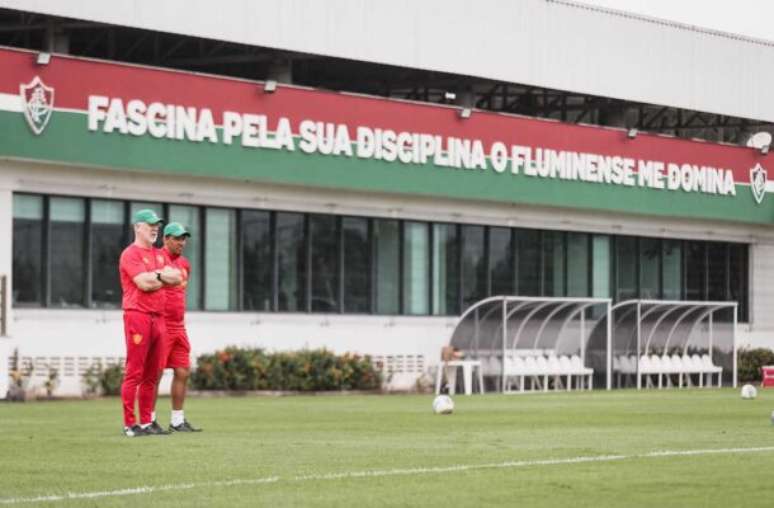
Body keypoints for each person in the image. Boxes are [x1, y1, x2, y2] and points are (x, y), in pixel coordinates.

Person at [119, 209, 182, 437]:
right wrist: (160, 277)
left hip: (159, 317)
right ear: (138, 227)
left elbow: (177, 277)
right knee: (134, 372)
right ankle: (130, 424)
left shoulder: (160, 255)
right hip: (138, 315)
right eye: (150, 224)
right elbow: (142, 284)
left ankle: (146, 422)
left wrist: (154, 276)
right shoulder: (130, 254)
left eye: (157, 225)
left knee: (153, 374)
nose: (155, 228)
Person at [155, 222, 202, 432]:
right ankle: (149, 420)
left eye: (184, 238)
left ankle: (177, 420)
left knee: (183, 371)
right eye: (177, 238)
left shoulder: (185, 264)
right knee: (154, 374)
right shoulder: (156, 259)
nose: (181, 242)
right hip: (160, 324)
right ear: (165, 239)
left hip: (179, 326)